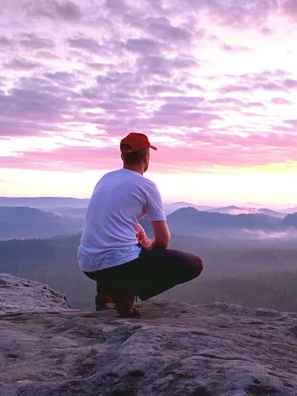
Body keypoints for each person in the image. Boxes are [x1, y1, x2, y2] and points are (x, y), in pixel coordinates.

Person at [77, 132, 203, 317]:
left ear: (122, 156)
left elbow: (108, 218)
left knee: (114, 249)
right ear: (146, 157)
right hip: (121, 263)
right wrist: (148, 244)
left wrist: (136, 228)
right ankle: (128, 291)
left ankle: (106, 294)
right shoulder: (146, 186)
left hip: (88, 263)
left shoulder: (106, 178)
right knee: (194, 264)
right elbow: (162, 241)